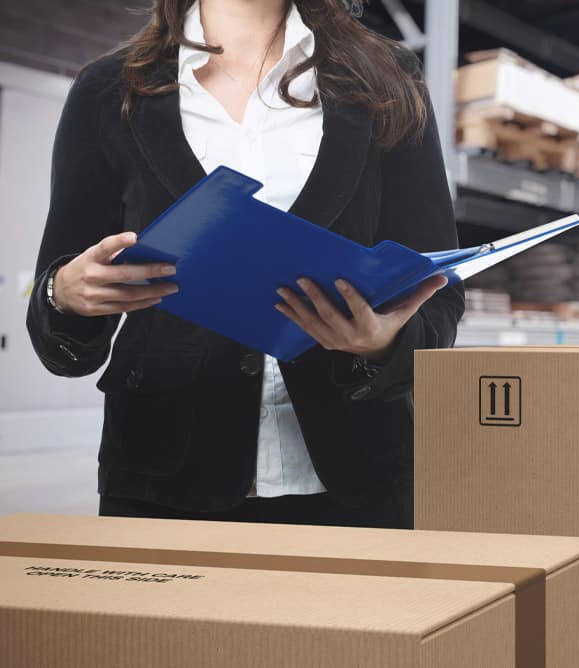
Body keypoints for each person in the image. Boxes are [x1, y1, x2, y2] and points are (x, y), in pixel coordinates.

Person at [25, 0, 464, 528]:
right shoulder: (108, 90)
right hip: (163, 479)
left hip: (358, 479)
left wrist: (384, 342)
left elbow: (440, 284)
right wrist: (64, 294)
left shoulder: (385, 77)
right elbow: (59, 308)